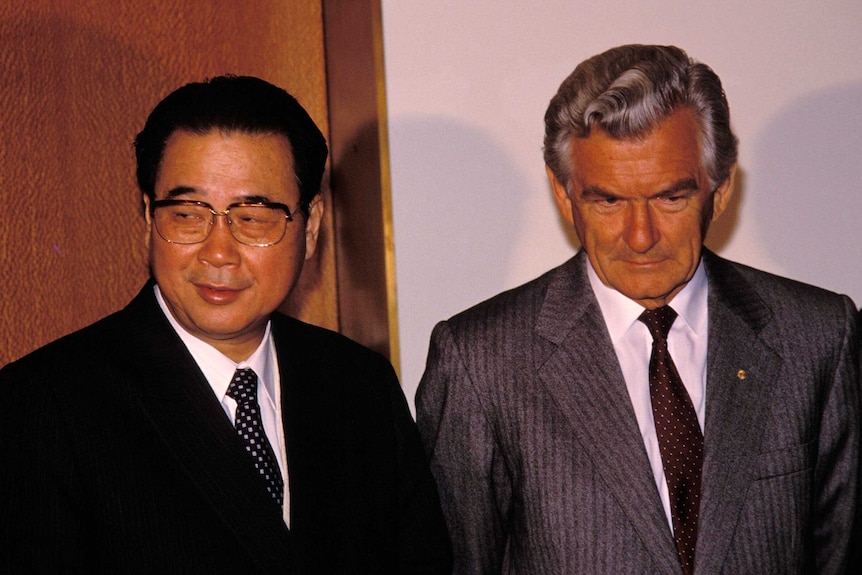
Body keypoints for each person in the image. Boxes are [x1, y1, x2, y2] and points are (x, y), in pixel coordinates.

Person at [416, 45, 860, 574]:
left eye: (670, 198)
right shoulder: (480, 361)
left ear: (719, 192)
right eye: (608, 201)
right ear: (564, 197)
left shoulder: (817, 336)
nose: (641, 237)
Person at [0, 75, 452, 573]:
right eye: (188, 215)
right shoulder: (44, 404)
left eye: (254, 218)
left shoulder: (360, 385)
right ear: (149, 218)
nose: (218, 251)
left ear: (312, 226)